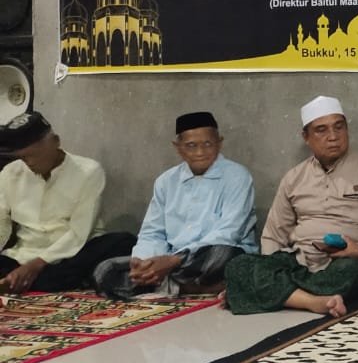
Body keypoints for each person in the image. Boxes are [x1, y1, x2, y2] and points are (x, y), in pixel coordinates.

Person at [224, 96, 358, 316]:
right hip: (298, 261)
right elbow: (273, 235)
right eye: (321, 130)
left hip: (347, 261)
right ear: (306, 137)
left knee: (354, 273)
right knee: (238, 266)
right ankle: (312, 301)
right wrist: (267, 266)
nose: (333, 136)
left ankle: (274, 292)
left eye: (339, 127)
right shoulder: (294, 178)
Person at [94, 112, 258, 300]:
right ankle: (187, 286)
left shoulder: (237, 176)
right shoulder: (166, 181)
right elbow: (152, 232)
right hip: (172, 262)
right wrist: (144, 264)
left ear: (219, 143)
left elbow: (229, 232)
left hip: (209, 257)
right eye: (191, 146)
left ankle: (166, 285)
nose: (200, 152)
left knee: (222, 256)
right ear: (178, 147)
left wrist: (173, 261)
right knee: (104, 271)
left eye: (207, 144)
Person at [0, 112, 135, 294]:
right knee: (38, 276)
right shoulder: (10, 173)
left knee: (124, 241)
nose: (29, 163)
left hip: (73, 252)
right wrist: (24, 265)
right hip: (23, 254)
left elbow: (79, 233)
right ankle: (26, 279)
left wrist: (36, 265)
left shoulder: (88, 171)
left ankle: (27, 280)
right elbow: (1, 222)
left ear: (56, 142)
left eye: (33, 155)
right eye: (23, 158)